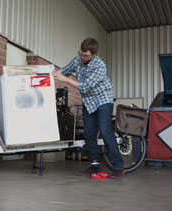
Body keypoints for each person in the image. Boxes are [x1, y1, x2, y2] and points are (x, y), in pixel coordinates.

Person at [52, 37, 125, 179]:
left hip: (103, 98)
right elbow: (65, 71)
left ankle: (118, 166)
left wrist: (65, 80)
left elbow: (84, 86)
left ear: (94, 54)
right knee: (89, 133)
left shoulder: (100, 66)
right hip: (89, 100)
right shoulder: (78, 59)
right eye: (81, 53)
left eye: (86, 55)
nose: (82, 57)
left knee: (105, 130)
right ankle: (95, 165)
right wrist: (51, 75)